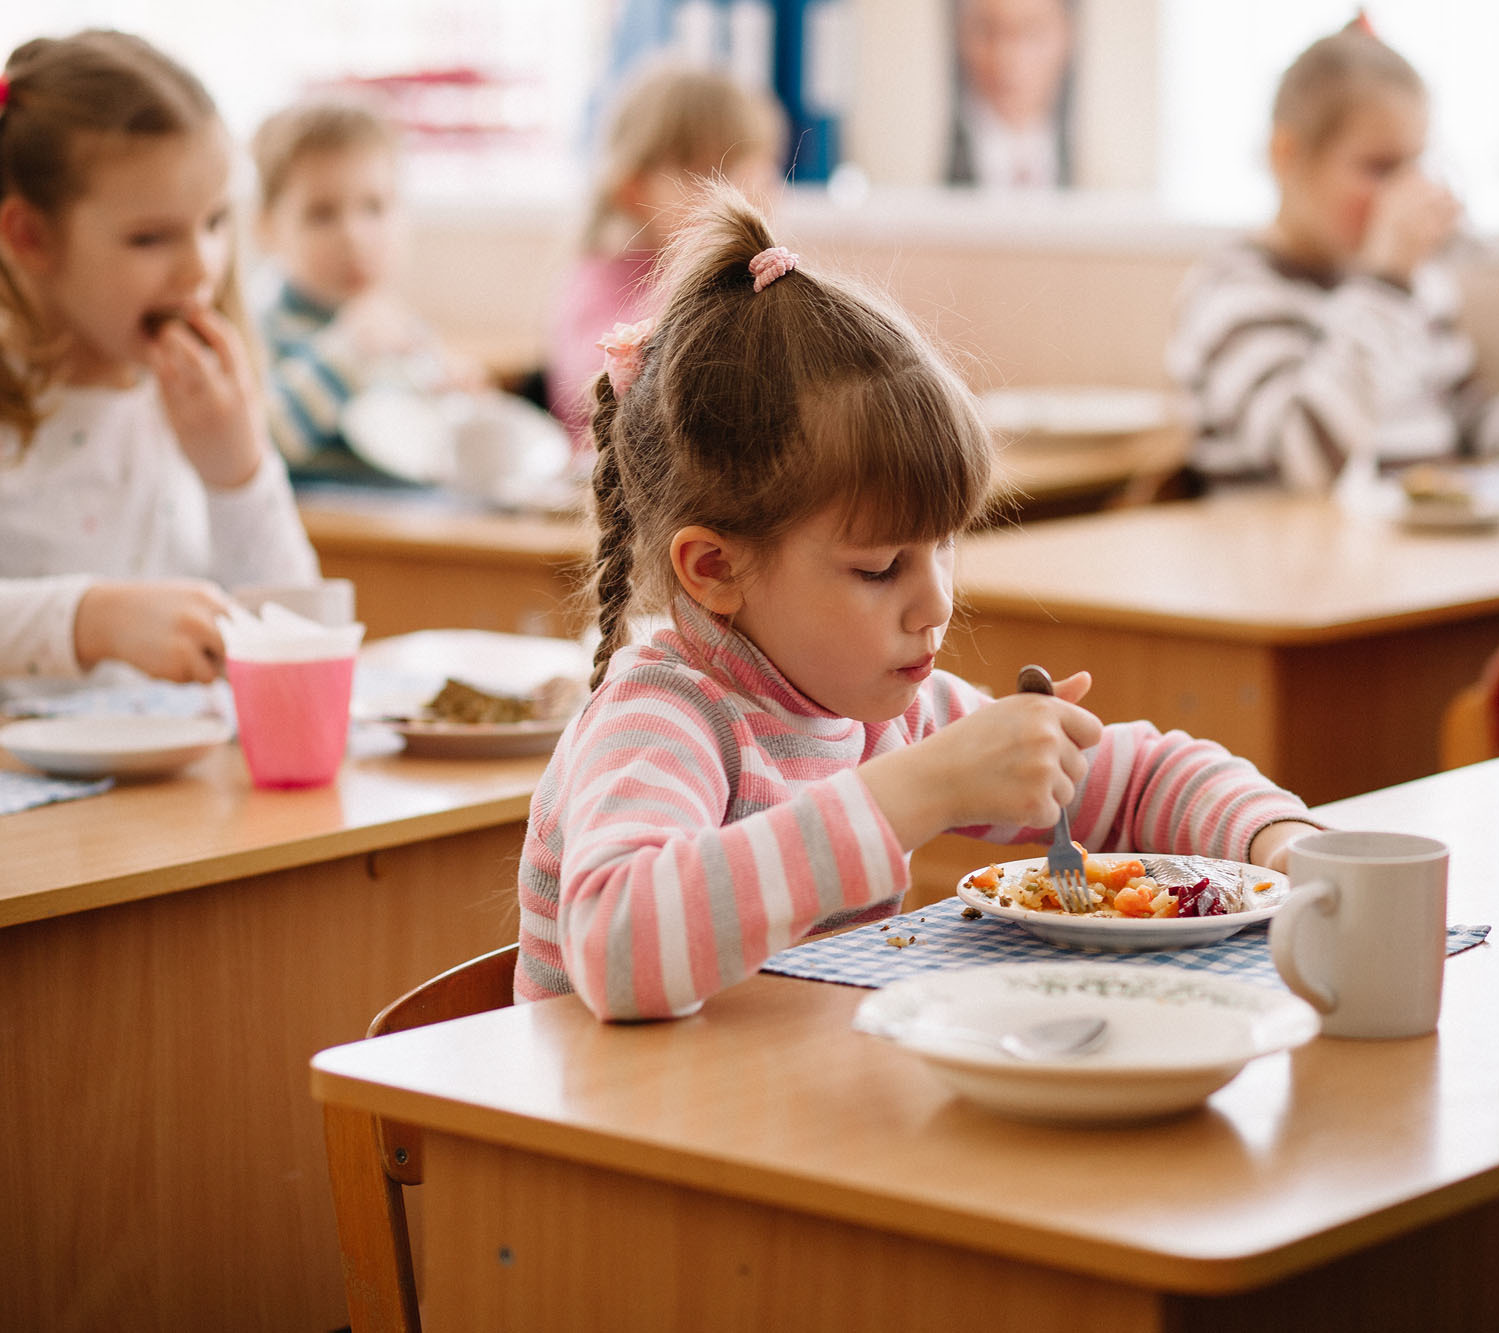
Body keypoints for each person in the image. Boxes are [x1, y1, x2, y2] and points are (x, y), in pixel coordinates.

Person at [517, 185, 1321, 1022]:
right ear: (715, 567)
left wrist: (1278, 841)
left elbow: (1136, 779)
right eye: (878, 568)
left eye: (943, 546)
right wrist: (916, 791)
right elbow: (617, 947)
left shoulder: (888, 709)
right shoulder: (663, 717)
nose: (935, 603)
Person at [0, 30, 318, 709]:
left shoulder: (196, 401)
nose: (202, 266)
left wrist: (239, 473)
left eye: (216, 222)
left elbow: (302, 638)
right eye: (150, 237)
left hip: (182, 770)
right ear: (30, 237)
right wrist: (91, 620)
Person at [1166, 23, 1499, 493]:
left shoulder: (1420, 288)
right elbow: (1308, 457)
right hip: (1286, 541)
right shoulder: (1234, 294)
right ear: (1286, 156)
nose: (1405, 193)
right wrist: (1389, 279)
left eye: (1415, 165)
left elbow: (1466, 425)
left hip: (1410, 539)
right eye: (1380, 168)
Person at [546, 62, 783, 443]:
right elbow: (593, 386)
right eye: (716, 173)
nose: (749, 191)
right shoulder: (601, 276)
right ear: (634, 189)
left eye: (756, 168)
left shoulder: (755, 278)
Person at [250, 98, 482, 482]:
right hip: (333, 515)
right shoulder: (260, 326)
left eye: (374, 207)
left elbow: (423, 444)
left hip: (415, 508)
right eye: (321, 214)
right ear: (267, 228)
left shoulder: (400, 326)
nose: (354, 236)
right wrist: (348, 352)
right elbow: (257, 442)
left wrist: (451, 395)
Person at [945, 0, 1075, 190]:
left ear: (1068, 35)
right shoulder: (917, 167)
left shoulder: (1104, 175)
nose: (1006, 59)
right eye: (987, 30)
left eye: (1031, 32)